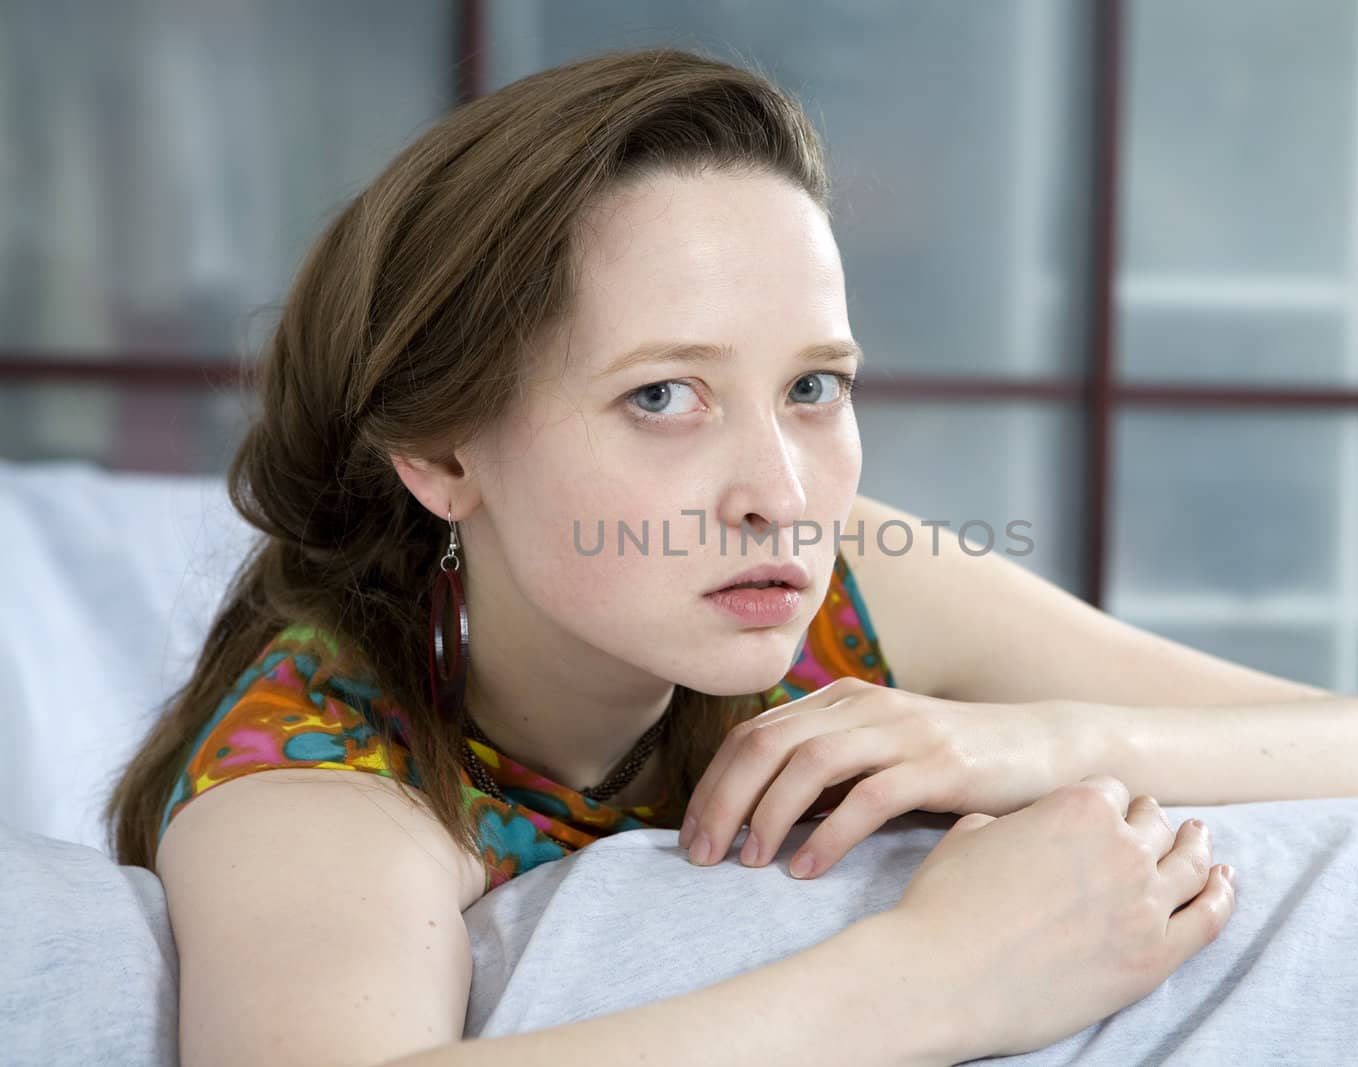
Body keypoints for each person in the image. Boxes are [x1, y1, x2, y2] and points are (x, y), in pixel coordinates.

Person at [107, 46, 1236, 1066]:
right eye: (661, 394)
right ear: (445, 455)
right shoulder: (315, 770)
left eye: (812, 387)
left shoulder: (846, 590)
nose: (781, 496)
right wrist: (942, 970)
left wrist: (1023, 739)